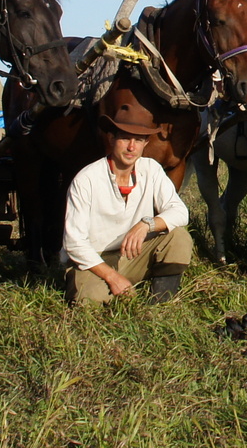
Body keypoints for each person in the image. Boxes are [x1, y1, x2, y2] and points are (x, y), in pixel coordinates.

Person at [59, 85, 193, 304]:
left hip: (132, 254)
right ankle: (113, 288)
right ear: (112, 139)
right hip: (94, 260)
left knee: (178, 237)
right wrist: (111, 277)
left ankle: (160, 304)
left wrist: (146, 225)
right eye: (125, 138)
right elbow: (74, 243)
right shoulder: (87, 179)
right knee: (90, 299)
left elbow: (180, 212)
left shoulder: (150, 169)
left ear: (145, 144)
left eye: (139, 140)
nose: (132, 147)